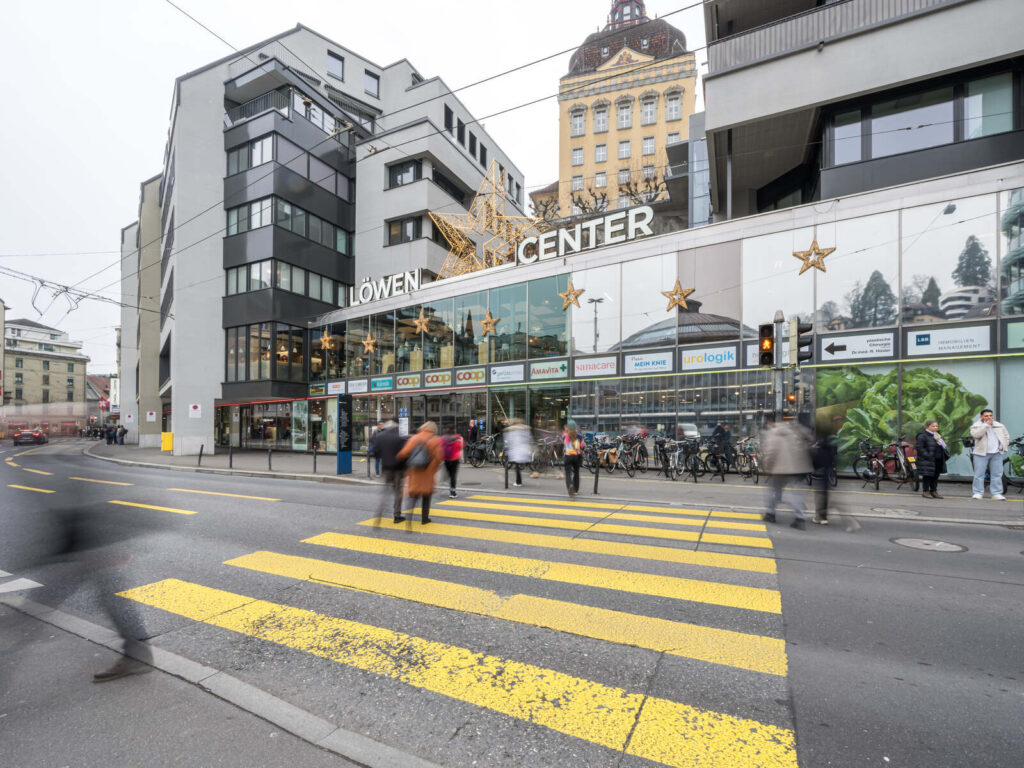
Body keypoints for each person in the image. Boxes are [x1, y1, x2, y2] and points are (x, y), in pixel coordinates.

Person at [760, 416, 813, 530]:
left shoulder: (775, 433)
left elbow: (771, 452)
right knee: (797, 494)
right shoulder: (796, 431)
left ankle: (770, 513)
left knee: (774, 491)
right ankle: (800, 518)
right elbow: (807, 441)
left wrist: (768, 468)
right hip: (797, 468)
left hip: (779, 469)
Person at [397, 421, 443, 524]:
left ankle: (409, 519)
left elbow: (403, 453)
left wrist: (408, 464)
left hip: (415, 472)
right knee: (426, 496)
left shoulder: (415, 438)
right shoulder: (437, 440)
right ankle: (424, 519)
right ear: (434, 429)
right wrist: (432, 470)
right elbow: (439, 457)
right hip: (428, 473)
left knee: (414, 495)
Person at [370, 419, 407, 522]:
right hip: (398, 468)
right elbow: (404, 453)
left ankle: (379, 513)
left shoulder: (380, 436)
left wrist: (383, 457)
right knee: (398, 492)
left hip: (386, 467)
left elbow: (375, 451)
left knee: (386, 491)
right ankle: (397, 515)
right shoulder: (400, 436)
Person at [970, 409, 1010, 500]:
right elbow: (976, 435)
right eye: (986, 416)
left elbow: (1006, 436)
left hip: (996, 453)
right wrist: (986, 425)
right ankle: (978, 493)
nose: (989, 417)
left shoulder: (999, 425)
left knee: (997, 474)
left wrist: (1003, 445)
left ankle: (996, 493)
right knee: (979, 474)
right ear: (981, 417)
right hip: (981, 453)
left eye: (990, 415)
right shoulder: (976, 426)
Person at [915, 419, 948, 499]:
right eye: (933, 426)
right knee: (927, 476)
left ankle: (934, 491)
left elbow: (942, 445)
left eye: (936, 426)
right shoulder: (923, 436)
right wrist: (927, 455)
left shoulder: (937, 435)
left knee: (936, 476)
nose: (935, 428)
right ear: (927, 426)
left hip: (938, 459)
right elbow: (919, 447)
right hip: (928, 459)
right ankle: (926, 491)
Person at [503, 418, 532, 487]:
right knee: (517, 466)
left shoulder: (512, 430)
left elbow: (508, 440)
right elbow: (529, 438)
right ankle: (519, 481)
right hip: (523, 450)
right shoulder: (524, 429)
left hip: (516, 451)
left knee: (516, 467)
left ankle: (518, 482)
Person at [441, 424, 464, 498]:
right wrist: (462, 458)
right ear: (454, 430)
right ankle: (452, 492)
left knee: (449, 474)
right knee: (453, 475)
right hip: (455, 459)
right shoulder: (459, 437)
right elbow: (461, 448)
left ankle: (446, 480)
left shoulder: (443, 437)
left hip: (446, 458)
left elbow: (440, 448)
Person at [563, 421, 582, 498]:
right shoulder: (579, 436)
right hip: (576, 456)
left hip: (568, 456)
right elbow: (582, 446)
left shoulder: (565, 436)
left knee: (568, 474)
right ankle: (576, 490)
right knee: (576, 473)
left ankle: (570, 485)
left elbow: (563, 446)